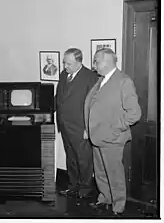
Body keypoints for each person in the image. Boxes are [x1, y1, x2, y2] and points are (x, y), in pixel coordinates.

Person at [84, 48, 141, 216]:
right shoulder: (101, 79)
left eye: (96, 61)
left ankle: (118, 205)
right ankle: (105, 198)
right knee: (100, 171)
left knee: (114, 173)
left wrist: (114, 129)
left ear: (106, 61)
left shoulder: (124, 81)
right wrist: (89, 129)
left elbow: (134, 114)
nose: (94, 65)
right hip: (97, 135)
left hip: (112, 138)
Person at [56, 48, 98, 198]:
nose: (65, 66)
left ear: (79, 62)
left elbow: (94, 105)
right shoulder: (63, 75)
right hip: (65, 125)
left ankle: (85, 188)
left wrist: (88, 127)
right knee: (71, 158)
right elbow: (59, 98)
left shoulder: (90, 77)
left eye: (69, 63)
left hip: (81, 127)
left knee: (84, 159)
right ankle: (73, 185)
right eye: (64, 63)